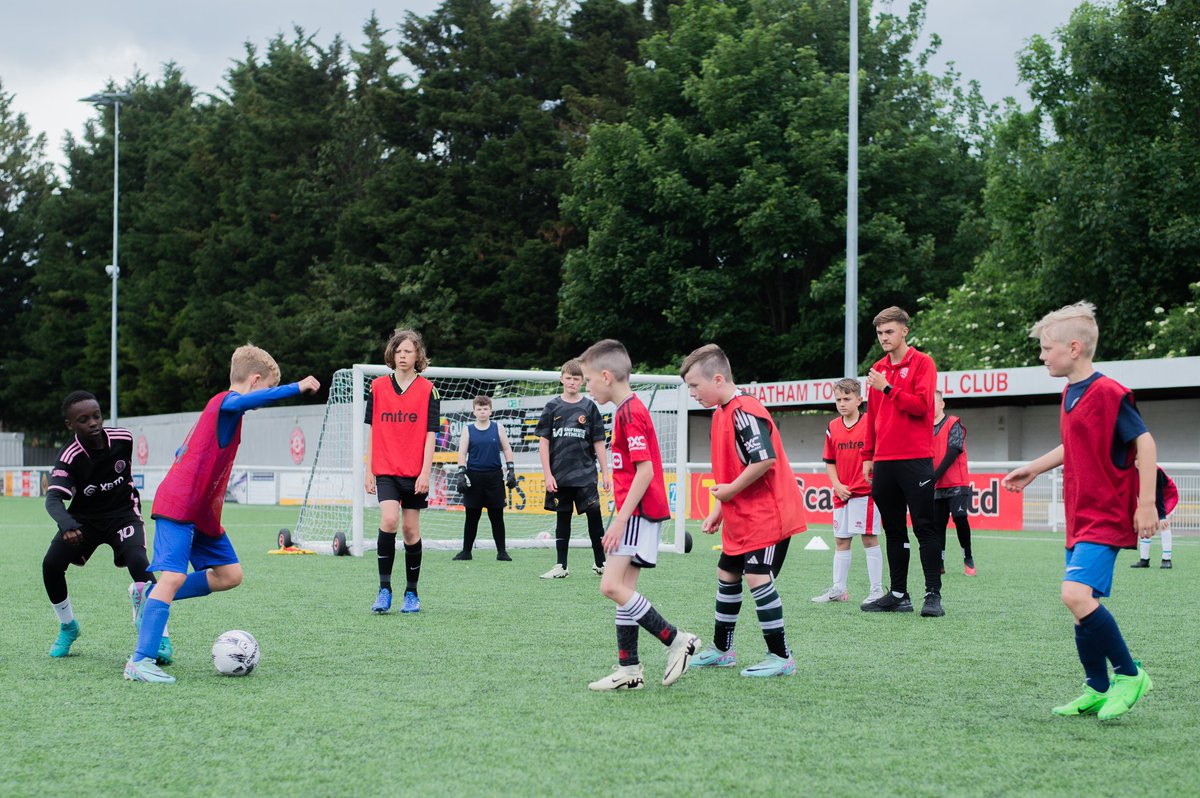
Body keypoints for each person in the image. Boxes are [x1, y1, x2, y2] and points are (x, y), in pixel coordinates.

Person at [125, 345, 319, 682]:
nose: (266, 395)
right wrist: (297, 387)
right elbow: (243, 401)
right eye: (268, 388)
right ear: (255, 381)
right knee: (170, 579)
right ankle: (139, 662)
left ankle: (148, 594)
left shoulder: (220, 413)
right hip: (180, 507)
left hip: (200, 513)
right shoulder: (225, 402)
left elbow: (184, 451)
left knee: (230, 575)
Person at [1003, 301, 1155, 720]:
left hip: (1106, 514)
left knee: (1073, 594)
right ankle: (1096, 686)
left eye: (1046, 348)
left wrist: (1145, 504)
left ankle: (1130, 674)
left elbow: (1144, 442)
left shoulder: (1108, 391)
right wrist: (1033, 468)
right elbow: (1074, 445)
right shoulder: (1072, 391)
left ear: (1073, 348)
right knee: (1079, 603)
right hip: (1081, 513)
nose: (1041, 355)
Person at [579, 339, 699, 691]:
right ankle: (629, 669)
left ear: (606, 376)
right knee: (624, 589)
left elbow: (645, 472)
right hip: (639, 513)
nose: (587, 386)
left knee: (611, 586)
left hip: (638, 514)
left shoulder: (631, 412)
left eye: (588, 379)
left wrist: (619, 520)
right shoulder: (627, 410)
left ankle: (678, 639)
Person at [682, 344, 804, 677]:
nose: (692, 393)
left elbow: (764, 460)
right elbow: (733, 467)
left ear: (718, 378)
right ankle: (722, 650)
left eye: (695, 385)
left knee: (757, 576)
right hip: (742, 515)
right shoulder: (721, 412)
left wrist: (731, 491)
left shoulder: (744, 410)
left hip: (768, 513)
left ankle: (781, 657)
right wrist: (721, 509)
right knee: (727, 574)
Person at [42, 391, 169, 662]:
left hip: (123, 514)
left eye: (96, 415)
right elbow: (53, 499)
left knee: (139, 561)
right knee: (51, 565)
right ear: (70, 425)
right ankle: (68, 626)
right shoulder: (69, 455)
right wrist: (67, 525)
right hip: (84, 521)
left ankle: (160, 637)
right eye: (83, 419)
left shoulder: (123, 439)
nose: (93, 423)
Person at [860, 306, 944, 617]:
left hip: (916, 458)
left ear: (904, 331)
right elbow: (872, 418)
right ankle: (898, 594)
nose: (884, 337)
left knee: (925, 527)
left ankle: (932, 595)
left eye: (889, 332)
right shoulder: (877, 369)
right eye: (880, 333)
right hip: (884, 461)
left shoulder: (922, 363)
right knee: (893, 530)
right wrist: (868, 455)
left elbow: (923, 407)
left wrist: (889, 388)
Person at [364, 329, 439, 614]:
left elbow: (431, 434)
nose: (403, 355)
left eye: (409, 351)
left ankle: (412, 592)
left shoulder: (428, 390)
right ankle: (384, 589)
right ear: (392, 355)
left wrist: (425, 472)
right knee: (389, 520)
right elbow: (371, 431)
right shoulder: (378, 387)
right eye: (399, 351)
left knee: (410, 530)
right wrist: (368, 469)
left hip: (414, 472)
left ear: (418, 355)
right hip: (385, 470)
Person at [812, 377, 885, 606]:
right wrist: (836, 485)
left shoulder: (870, 424)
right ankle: (839, 589)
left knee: (869, 539)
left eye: (847, 398)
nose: (842, 403)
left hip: (865, 493)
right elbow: (829, 460)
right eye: (838, 399)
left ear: (859, 400)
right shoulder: (833, 426)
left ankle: (876, 591)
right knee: (841, 541)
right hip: (841, 494)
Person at [535, 359, 609, 579]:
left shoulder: (589, 407)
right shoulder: (552, 407)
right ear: (561, 379)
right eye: (568, 378)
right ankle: (561, 566)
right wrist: (547, 474)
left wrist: (606, 472)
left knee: (595, 516)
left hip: (585, 474)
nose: (572, 382)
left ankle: (601, 563)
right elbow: (544, 442)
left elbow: (598, 441)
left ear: (582, 381)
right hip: (559, 475)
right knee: (562, 517)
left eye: (576, 379)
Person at [452, 395, 516, 561]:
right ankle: (466, 551)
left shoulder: (498, 428)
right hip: (474, 478)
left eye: (485, 409)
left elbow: (507, 449)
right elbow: (462, 453)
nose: (482, 412)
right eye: (479, 409)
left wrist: (511, 470)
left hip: (494, 477)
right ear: (474, 411)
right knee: (472, 517)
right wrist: (461, 473)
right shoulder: (468, 430)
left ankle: (502, 552)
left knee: (497, 516)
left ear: (490, 411)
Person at [932, 391, 976, 576]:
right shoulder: (923, 427)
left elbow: (953, 451)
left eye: (933, 402)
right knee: (938, 524)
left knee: (959, 518)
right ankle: (939, 562)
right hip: (936, 484)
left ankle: (968, 556)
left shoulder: (953, 423)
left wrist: (934, 476)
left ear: (942, 404)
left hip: (956, 482)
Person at [1130, 467, 1177, 569]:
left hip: (1168, 497)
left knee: (1164, 525)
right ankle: (1144, 560)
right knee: (1145, 524)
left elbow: (1158, 493)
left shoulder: (1156, 470)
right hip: (1149, 499)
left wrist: (1162, 516)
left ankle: (1166, 559)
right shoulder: (1131, 471)